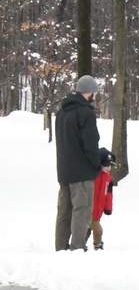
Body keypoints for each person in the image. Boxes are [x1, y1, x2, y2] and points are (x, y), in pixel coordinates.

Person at [54, 75, 102, 251]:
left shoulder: (62, 112)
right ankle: (77, 248)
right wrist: (96, 164)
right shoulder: (85, 112)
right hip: (81, 172)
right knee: (81, 210)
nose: (95, 96)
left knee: (64, 212)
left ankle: (60, 248)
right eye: (94, 93)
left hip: (64, 170)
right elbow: (90, 143)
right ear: (89, 93)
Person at [88, 148, 115, 250]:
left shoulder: (108, 179)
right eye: (105, 165)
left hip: (98, 210)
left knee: (88, 229)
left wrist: (108, 208)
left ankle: (81, 245)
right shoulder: (93, 175)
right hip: (90, 209)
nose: (108, 168)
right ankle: (98, 244)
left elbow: (108, 195)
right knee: (98, 229)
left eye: (110, 166)